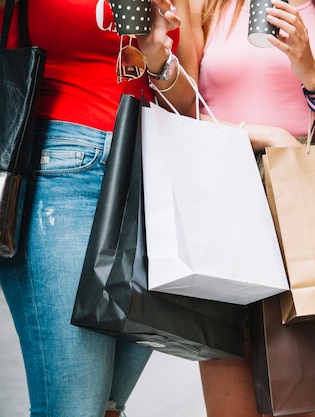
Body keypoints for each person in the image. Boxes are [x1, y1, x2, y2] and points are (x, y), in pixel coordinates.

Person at [171, 0, 315, 415]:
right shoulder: (203, 4)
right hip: (220, 201)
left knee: (296, 397)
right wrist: (266, 135)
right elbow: (182, 113)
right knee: (230, 393)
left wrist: (310, 71)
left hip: (300, 202)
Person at [0, 0, 196, 415]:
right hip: (59, 170)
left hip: (149, 181)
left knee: (108, 406)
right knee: (74, 408)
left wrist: (158, 57)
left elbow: (188, 103)